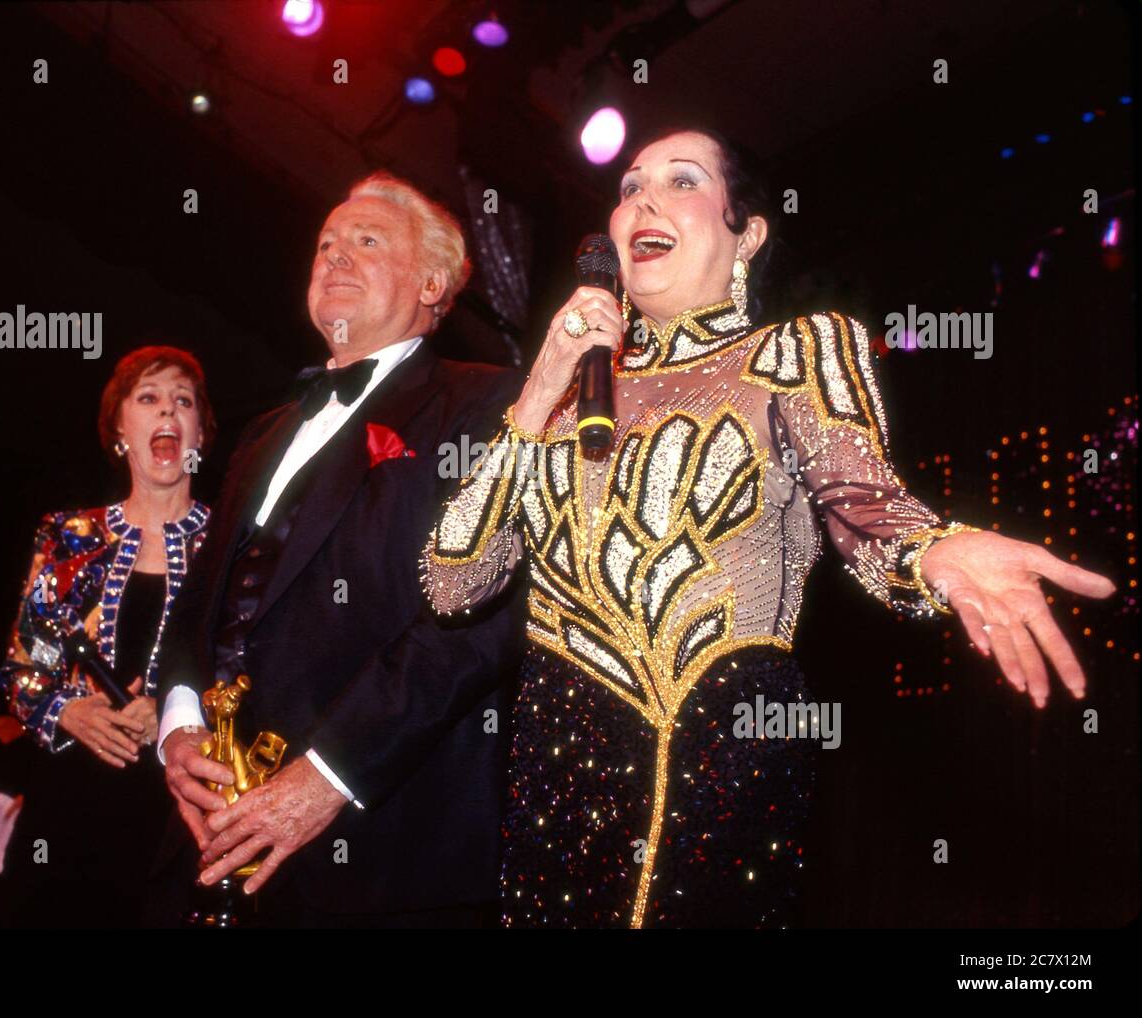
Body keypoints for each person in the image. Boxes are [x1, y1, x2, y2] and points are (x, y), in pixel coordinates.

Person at [421, 127, 1116, 929]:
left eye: (682, 181)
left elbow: (864, 503)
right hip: (555, 786)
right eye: (628, 187)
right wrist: (537, 397)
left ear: (745, 233)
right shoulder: (563, 402)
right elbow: (450, 581)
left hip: (714, 752)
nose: (642, 198)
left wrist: (936, 550)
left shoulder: (796, 349)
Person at [156, 171, 526, 928]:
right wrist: (178, 725)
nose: (335, 256)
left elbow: (483, 619)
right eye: (326, 243)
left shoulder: (496, 400)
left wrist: (328, 775)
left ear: (433, 282)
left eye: (367, 240)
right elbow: (199, 603)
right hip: (207, 841)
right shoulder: (259, 436)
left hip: (384, 853)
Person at [0, 345, 214, 926]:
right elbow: (23, 669)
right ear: (120, 429)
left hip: (180, 816)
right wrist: (70, 712)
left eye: (183, 401)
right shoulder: (68, 538)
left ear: (198, 433)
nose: (167, 410)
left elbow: (254, 671)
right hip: (69, 810)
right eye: (148, 398)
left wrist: (173, 713)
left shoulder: (231, 549)